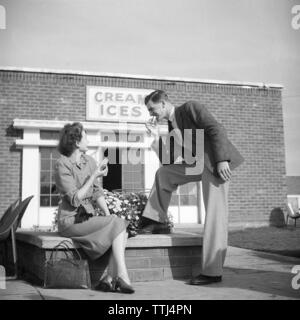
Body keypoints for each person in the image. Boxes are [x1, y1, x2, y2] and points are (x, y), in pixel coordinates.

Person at [139, 90, 244, 285]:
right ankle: (157, 220)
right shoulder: (171, 125)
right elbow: (167, 160)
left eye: (152, 109)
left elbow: (216, 128)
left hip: (214, 164)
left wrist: (221, 160)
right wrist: (154, 137)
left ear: (163, 103)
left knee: (214, 215)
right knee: (164, 173)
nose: (151, 114)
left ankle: (212, 272)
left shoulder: (190, 108)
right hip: (196, 165)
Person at [54, 122, 134, 293]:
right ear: (76, 142)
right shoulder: (62, 164)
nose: (88, 138)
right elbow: (75, 199)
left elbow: (97, 192)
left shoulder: (89, 161)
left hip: (88, 217)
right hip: (71, 220)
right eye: (85, 135)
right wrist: (94, 176)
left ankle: (109, 279)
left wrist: (109, 216)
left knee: (121, 227)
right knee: (120, 226)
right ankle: (121, 276)